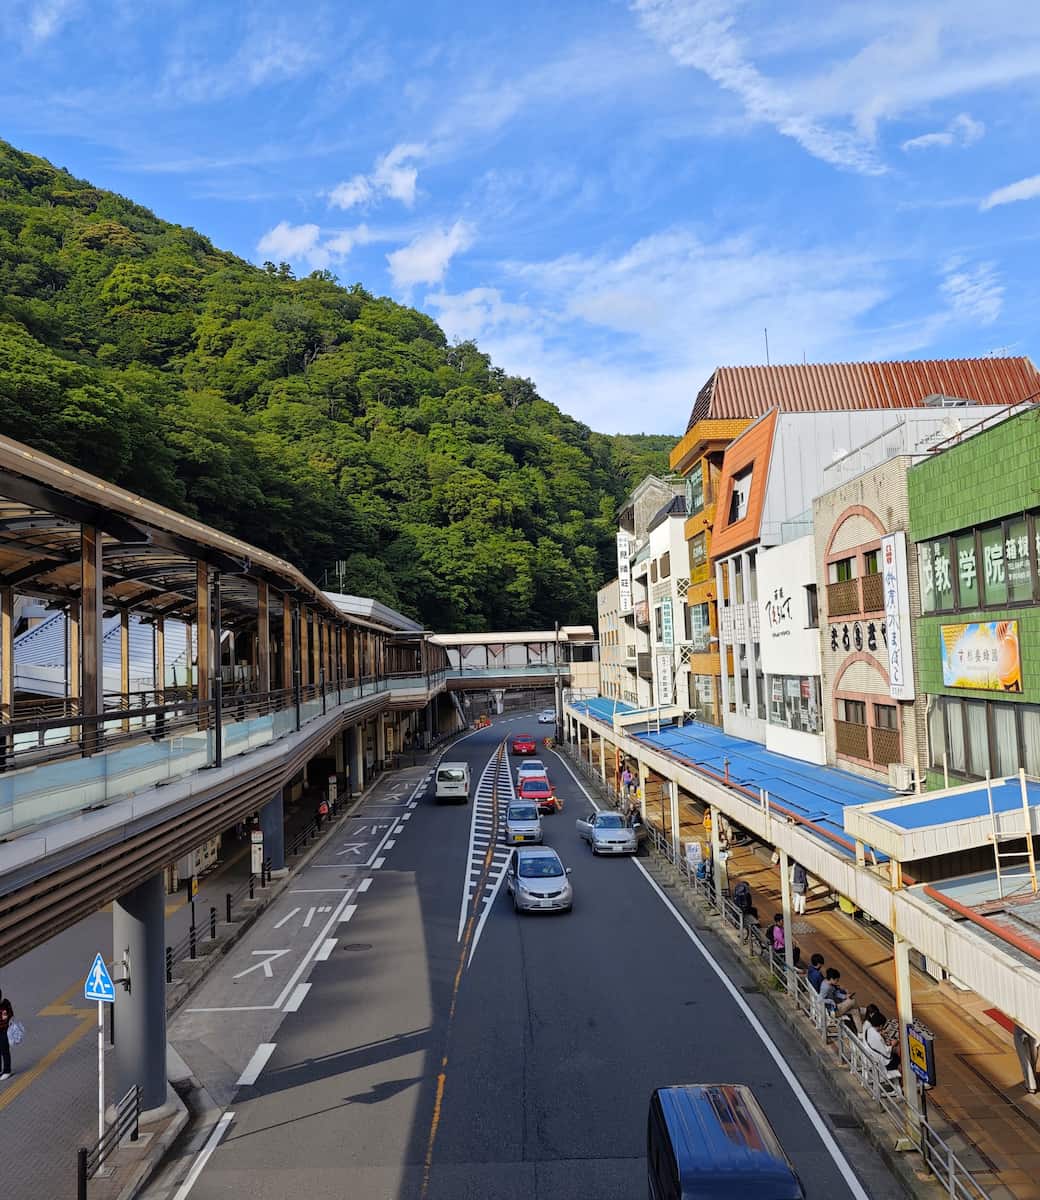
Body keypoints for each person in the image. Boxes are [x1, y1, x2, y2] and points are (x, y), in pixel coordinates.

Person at [863, 1009, 900, 1076]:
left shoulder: (869, 1029)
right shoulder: (878, 1037)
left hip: (871, 1055)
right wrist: (892, 1045)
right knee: (898, 1052)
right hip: (883, 1063)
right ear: (880, 1026)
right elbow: (886, 1052)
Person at [0, 996, 13, 1080]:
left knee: (5, 1050)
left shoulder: (5, 1003)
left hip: (4, 1030)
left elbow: (11, 1014)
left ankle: (7, 1070)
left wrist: (10, 1020)